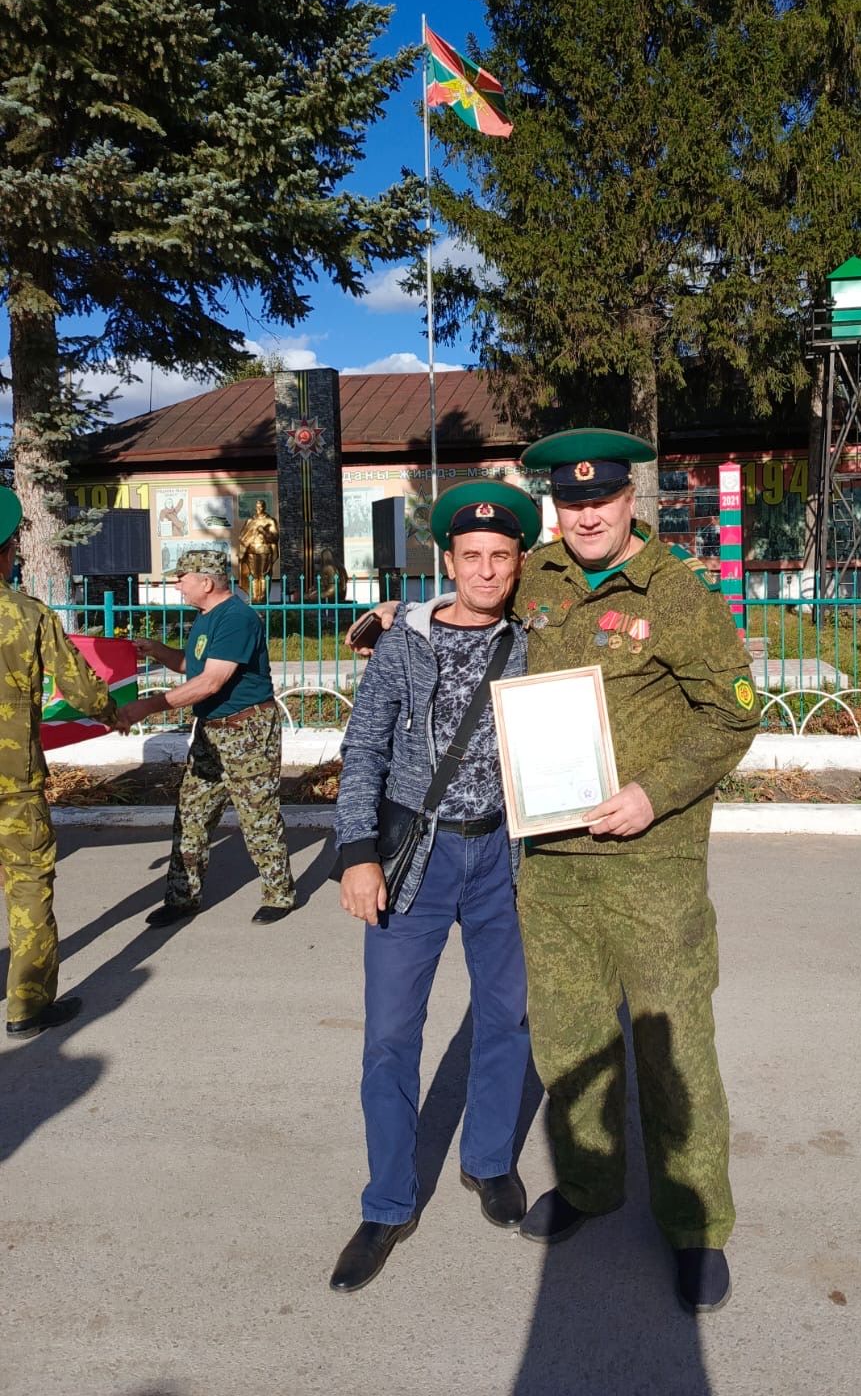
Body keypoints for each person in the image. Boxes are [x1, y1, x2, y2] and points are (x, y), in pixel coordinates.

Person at [354, 433, 759, 1313]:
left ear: (627, 501)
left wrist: (655, 793)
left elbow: (731, 718)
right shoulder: (536, 573)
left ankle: (695, 1225)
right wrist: (400, 618)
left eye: (602, 501)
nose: (587, 516)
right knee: (570, 1040)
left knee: (670, 1043)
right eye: (572, 505)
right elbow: (473, 591)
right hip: (546, 864)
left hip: (649, 861)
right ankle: (586, 1185)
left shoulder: (678, 594)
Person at [329, 480, 540, 1294]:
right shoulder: (400, 645)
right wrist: (356, 854)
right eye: (472, 557)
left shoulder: (533, 643)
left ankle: (488, 1160)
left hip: (502, 860)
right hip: (413, 859)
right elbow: (364, 752)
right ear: (447, 562)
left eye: (502, 557)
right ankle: (387, 1202)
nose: (486, 571)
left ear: (519, 564)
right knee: (389, 1037)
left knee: (505, 1017)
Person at [117, 549, 296, 926]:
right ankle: (183, 898)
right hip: (211, 732)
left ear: (206, 581)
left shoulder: (236, 618)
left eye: (182, 578)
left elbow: (212, 681)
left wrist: (146, 708)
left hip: (246, 731)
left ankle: (279, 895)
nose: (177, 585)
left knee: (257, 816)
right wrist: (158, 651)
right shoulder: (205, 617)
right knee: (191, 815)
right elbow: (193, 664)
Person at [0, 486, 118, 1038]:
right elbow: (81, 689)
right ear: (7, 551)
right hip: (13, 784)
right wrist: (111, 710)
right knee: (27, 883)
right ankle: (27, 1006)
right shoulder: (28, 615)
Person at [237, 498, 278, 602]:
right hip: (251, 551)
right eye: (257, 507)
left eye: (261, 506)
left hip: (265, 551)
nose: (259, 508)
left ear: (264, 507)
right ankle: (254, 599)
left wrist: (263, 532)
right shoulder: (251, 521)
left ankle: (262, 600)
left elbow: (275, 537)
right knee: (253, 576)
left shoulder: (270, 521)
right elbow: (242, 536)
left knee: (263, 576)